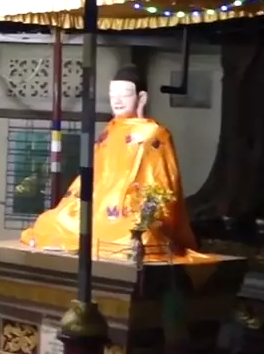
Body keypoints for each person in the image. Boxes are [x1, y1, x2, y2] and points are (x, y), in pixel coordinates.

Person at [19, 65, 213, 263]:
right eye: (113, 95)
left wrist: (142, 210)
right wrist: (77, 203)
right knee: (50, 222)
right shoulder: (109, 131)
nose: (117, 100)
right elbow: (93, 176)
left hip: (130, 209)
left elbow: (162, 183)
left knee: (136, 236)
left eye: (125, 94)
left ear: (141, 98)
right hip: (98, 207)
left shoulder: (154, 133)